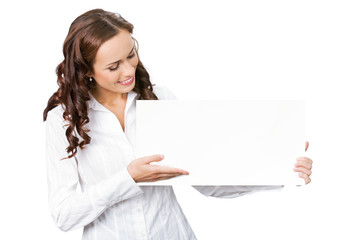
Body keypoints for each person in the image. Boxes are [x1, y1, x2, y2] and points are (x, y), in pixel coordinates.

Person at [43, 9, 313, 240]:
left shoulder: (160, 99)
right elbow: (64, 215)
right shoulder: (63, 120)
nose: (128, 71)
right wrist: (129, 178)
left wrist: (281, 168)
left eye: (131, 54)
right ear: (86, 70)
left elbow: (205, 181)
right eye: (114, 66)